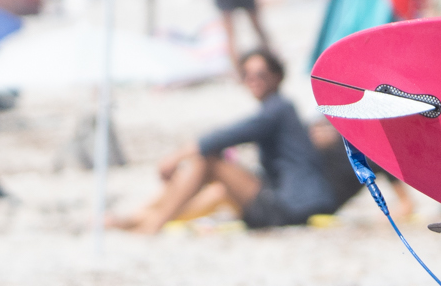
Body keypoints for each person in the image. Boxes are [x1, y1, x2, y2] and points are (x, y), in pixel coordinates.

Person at [109, 49, 343, 232]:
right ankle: (136, 219)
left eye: (260, 75)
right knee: (218, 190)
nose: (253, 80)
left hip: (292, 207)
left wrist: (175, 157)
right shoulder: (280, 110)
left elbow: (227, 135)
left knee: (208, 161)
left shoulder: (279, 109)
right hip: (291, 202)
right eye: (247, 75)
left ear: (277, 77)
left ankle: (153, 224)